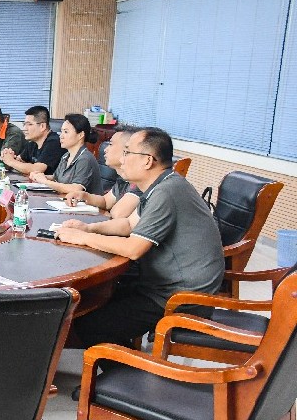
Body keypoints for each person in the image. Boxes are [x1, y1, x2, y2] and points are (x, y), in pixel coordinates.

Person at [55, 127, 224, 351]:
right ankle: (125, 357)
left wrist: (83, 237)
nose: (122, 159)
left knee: (87, 325)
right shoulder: (159, 185)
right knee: (97, 297)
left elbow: (134, 248)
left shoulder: (166, 192)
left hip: (180, 297)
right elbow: (128, 224)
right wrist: (88, 227)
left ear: (147, 161)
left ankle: (129, 369)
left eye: (127, 152)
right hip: (164, 284)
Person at [61, 126, 141, 220]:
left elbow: (117, 214)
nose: (105, 149)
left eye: (110, 144)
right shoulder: (123, 179)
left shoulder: (139, 183)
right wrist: (83, 195)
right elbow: (106, 201)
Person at [29, 113, 102, 195]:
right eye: (61, 131)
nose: (61, 136)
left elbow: (76, 189)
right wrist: (39, 176)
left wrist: (45, 181)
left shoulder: (85, 159)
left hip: (83, 203)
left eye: (66, 132)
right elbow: (56, 178)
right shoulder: (66, 156)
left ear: (80, 135)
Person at [0, 106, 62, 175]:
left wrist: (11, 161)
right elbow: (19, 161)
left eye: (29, 124)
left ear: (42, 126)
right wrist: (8, 155)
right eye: (24, 124)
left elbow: (37, 169)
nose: (24, 128)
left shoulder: (54, 143)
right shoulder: (33, 143)